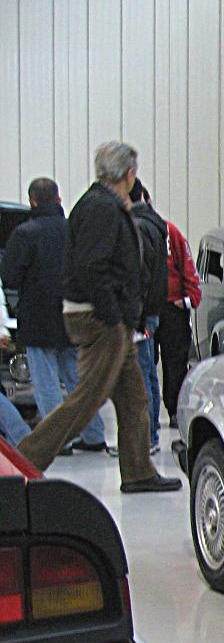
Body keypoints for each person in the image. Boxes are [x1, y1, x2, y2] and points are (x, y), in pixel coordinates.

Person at [16, 141, 181, 492]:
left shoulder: (100, 204)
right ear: (130, 174)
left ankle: (138, 472)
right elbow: (94, 268)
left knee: (134, 397)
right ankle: (20, 463)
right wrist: (115, 316)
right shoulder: (102, 209)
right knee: (84, 401)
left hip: (105, 316)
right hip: (100, 318)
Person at [0, 177, 107, 454]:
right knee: (77, 381)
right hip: (73, 316)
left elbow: (9, 277)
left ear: (33, 201)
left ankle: (60, 440)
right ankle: (94, 435)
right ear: (58, 200)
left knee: (46, 383)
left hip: (37, 320)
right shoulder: (74, 230)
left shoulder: (25, 234)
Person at [128, 180, 166, 453]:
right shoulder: (156, 225)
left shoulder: (138, 228)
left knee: (141, 376)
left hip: (141, 313)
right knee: (149, 373)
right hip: (153, 309)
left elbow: (138, 275)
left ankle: (147, 438)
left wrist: (134, 314)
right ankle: (152, 432)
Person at [156, 205, 200, 428]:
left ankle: (174, 410)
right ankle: (151, 414)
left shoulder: (169, 232)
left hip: (172, 307)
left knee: (175, 361)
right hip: (148, 307)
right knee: (144, 364)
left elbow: (187, 266)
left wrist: (189, 299)